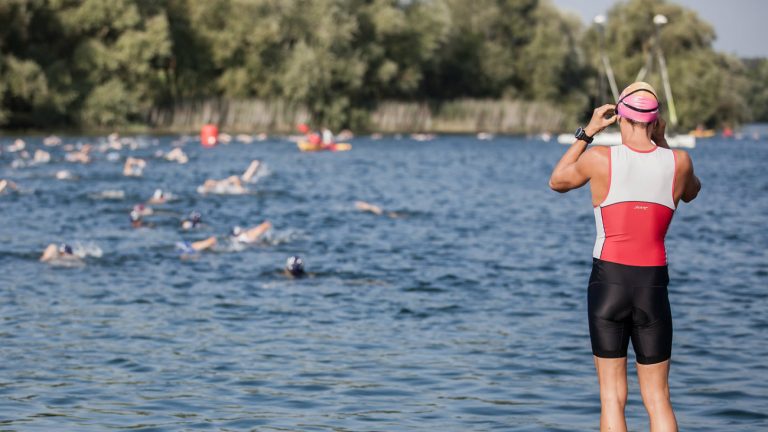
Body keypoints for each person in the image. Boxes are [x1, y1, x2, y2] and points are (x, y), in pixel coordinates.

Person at [548, 81, 701, 432]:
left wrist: (587, 132)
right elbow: (692, 192)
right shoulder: (680, 162)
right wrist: (661, 142)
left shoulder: (600, 158)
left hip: (609, 284)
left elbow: (557, 181)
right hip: (652, 287)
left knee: (612, 397)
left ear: (620, 118)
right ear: (656, 121)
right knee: (659, 397)